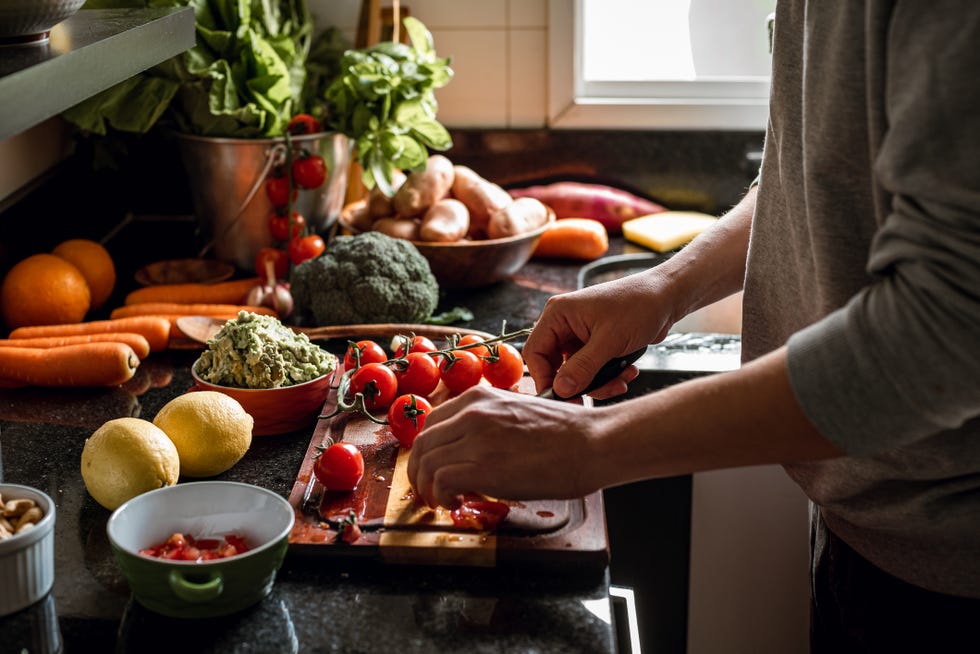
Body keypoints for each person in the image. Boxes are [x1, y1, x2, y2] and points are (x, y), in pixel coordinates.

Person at [408, 2, 980, 650]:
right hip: (869, 522)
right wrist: (664, 287)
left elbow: (951, 326)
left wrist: (590, 443)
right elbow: (814, 173)